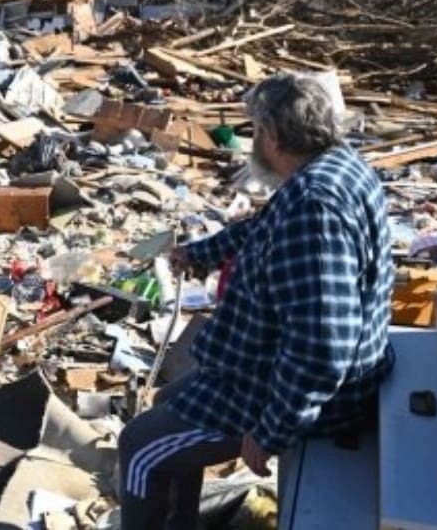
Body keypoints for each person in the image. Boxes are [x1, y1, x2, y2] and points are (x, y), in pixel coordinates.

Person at [116, 73, 394, 529]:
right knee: (167, 398)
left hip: (296, 393)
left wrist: (270, 431)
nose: (253, 141)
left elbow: (324, 349)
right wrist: (202, 252)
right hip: (271, 369)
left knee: (141, 449)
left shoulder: (315, 207)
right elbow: (266, 228)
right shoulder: (337, 165)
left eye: (257, 131)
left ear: (275, 136)